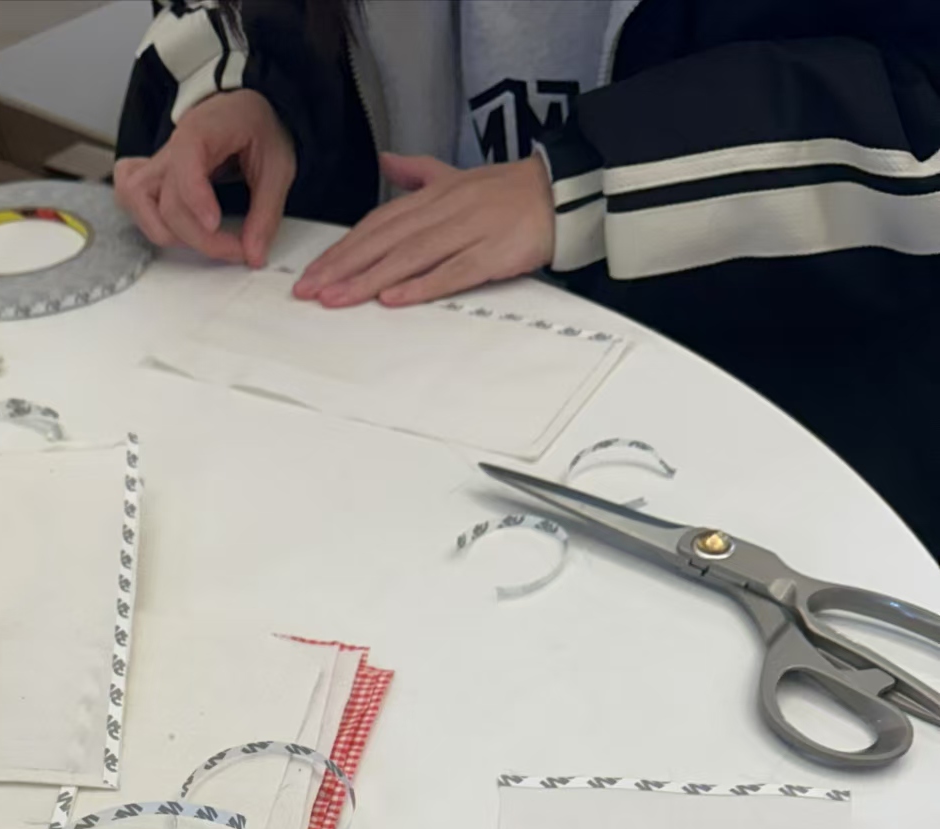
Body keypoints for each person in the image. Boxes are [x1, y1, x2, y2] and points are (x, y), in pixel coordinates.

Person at [114, 0, 940, 553]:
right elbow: (233, 17)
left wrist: (584, 189)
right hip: (362, 402)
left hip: (766, 430)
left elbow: (917, 117)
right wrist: (249, 91)